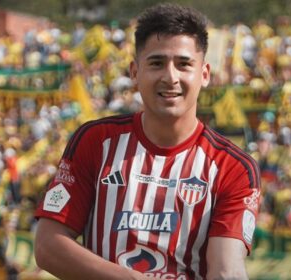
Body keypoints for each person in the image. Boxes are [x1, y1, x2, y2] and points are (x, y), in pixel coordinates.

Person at [34, 3, 261, 280]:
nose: (170, 77)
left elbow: (227, 271)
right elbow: (48, 246)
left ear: (204, 74)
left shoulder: (233, 167)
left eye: (184, 64)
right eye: (156, 63)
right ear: (134, 71)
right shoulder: (95, 141)